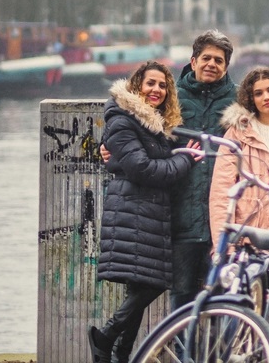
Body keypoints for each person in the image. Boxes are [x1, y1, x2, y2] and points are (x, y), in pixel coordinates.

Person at [89, 61, 203, 363]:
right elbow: (143, 168)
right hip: (133, 210)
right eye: (151, 83)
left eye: (163, 85)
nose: (157, 90)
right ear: (137, 84)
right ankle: (107, 335)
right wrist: (185, 161)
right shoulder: (124, 119)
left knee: (139, 289)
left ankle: (118, 355)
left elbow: (136, 158)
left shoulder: (153, 123)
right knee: (152, 284)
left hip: (147, 213)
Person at [208, 67, 269, 363]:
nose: (266, 97)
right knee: (249, 305)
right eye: (258, 93)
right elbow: (220, 191)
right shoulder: (239, 132)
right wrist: (220, 245)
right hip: (249, 229)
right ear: (250, 99)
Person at [169, 29, 239, 308]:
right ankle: (184, 351)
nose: (211, 64)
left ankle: (214, 353)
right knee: (182, 296)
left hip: (221, 217)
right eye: (206, 58)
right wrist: (107, 143)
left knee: (220, 296)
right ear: (193, 60)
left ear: (226, 66)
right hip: (182, 214)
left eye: (219, 60)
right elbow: (133, 114)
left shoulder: (238, 97)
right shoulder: (171, 95)